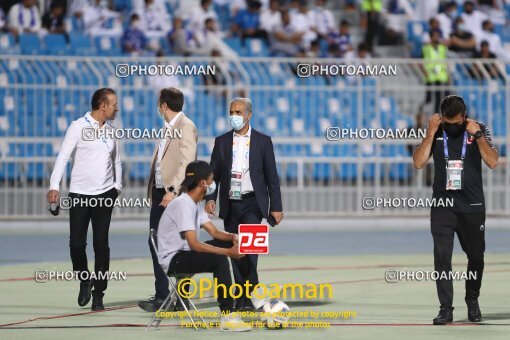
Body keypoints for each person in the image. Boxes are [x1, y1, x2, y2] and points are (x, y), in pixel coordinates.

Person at [413, 95, 498, 325]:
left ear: (465, 116)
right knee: (442, 256)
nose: (452, 127)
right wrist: (430, 133)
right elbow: (419, 162)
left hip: (471, 206)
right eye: (447, 123)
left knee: (476, 257)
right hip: (443, 206)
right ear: (442, 118)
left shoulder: (478, 128)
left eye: (457, 123)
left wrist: (478, 135)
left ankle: (472, 299)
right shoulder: (436, 131)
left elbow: (492, 161)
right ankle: (445, 308)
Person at [205, 97, 283, 311]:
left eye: (238, 112)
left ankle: (247, 297)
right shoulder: (221, 141)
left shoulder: (263, 141)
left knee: (250, 250)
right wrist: (210, 198)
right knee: (235, 250)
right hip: (231, 204)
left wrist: (276, 206)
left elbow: (271, 176)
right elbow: (214, 175)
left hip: (253, 204)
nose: (234, 116)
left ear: (249, 115)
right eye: (232, 112)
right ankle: (243, 295)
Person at [47, 88, 122, 311]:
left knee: (102, 245)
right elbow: (63, 158)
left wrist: (117, 188)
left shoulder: (112, 131)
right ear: (103, 106)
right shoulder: (77, 127)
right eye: (114, 104)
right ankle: (84, 279)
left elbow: (117, 161)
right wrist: (54, 186)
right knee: (77, 245)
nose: (116, 108)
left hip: (105, 196)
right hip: (79, 195)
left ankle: (99, 293)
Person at [157, 160, 252, 331]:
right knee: (220, 259)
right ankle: (228, 315)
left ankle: (249, 291)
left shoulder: (195, 204)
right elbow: (194, 244)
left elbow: (215, 233)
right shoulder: (183, 204)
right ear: (202, 183)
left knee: (226, 244)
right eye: (211, 180)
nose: (212, 184)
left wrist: (234, 238)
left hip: (184, 254)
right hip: (174, 260)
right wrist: (228, 252)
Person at [138, 87, 198, 312]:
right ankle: (162, 295)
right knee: (155, 242)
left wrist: (172, 190)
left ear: (164, 105)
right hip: (160, 194)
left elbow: (186, 162)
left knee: (181, 245)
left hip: (176, 196)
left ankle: (182, 298)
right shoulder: (166, 128)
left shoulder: (186, 126)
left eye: (158, 103)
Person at [422, 29, 449, 114]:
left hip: (441, 76)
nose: (436, 38)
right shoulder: (426, 48)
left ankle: (437, 115)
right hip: (431, 76)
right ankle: (421, 111)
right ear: (431, 37)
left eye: (438, 36)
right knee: (429, 98)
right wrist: (425, 71)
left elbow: (445, 60)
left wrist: (447, 74)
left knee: (441, 98)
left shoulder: (442, 48)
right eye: (435, 36)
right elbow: (422, 61)